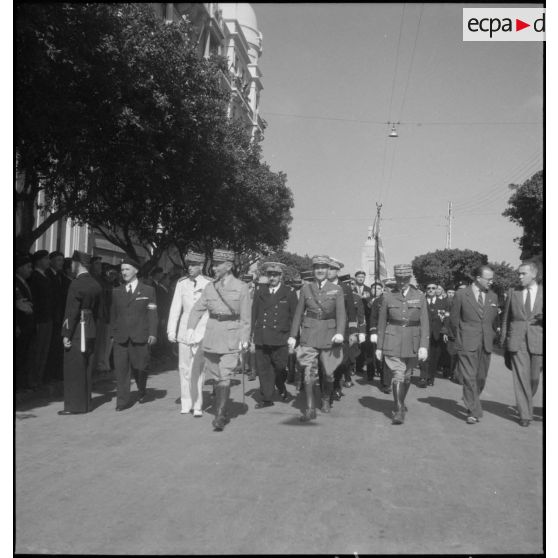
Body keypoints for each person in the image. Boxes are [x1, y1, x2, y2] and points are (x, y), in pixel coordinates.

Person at [185, 249, 251, 431]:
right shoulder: (210, 287)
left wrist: (244, 338)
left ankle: (220, 415)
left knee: (225, 374)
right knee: (214, 374)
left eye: (217, 264)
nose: (213, 268)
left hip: (232, 334)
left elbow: (246, 317)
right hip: (212, 335)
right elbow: (198, 309)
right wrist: (190, 328)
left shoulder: (241, 287)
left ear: (228, 266)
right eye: (213, 264)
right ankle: (221, 405)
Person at [288, 255, 346, 421]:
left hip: (329, 333)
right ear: (313, 270)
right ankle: (310, 408)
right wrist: (293, 335)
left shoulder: (337, 289)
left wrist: (340, 332)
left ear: (328, 270)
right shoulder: (306, 289)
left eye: (323, 267)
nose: (320, 270)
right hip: (310, 332)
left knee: (328, 373)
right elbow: (298, 313)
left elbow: (341, 313)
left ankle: (326, 398)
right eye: (317, 267)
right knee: (309, 372)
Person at [376, 264, 429, 425]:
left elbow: (425, 322)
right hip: (392, 338)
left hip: (413, 340)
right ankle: (398, 410)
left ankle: (400, 401)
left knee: (407, 376)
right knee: (398, 374)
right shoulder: (388, 296)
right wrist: (379, 346)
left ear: (410, 278)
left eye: (405, 278)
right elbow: (381, 322)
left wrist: (424, 345)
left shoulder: (419, 296)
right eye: (399, 278)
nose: (402, 282)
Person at [449, 265, 500, 424]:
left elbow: (493, 321)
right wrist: (458, 340)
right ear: (478, 278)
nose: (491, 282)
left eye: (492, 279)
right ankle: (473, 410)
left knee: (481, 377)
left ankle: (470, 399)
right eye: (488, 279)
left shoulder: (493, 296)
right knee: (469, 376)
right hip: (467, 341)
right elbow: (454, 320)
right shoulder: (461, 294)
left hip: (486, 343)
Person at [58, 251, 103, 415]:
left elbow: (71, 312)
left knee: (74, 367)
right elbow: (99, 311)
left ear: (78, 264)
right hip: (91, 327)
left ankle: (74, 406)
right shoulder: (95, 284)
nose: (70, 266)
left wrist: (66, 334)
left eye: (72, 263)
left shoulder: (76, 284)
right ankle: (86, 403)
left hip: (77, 329)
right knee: (87, 366)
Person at [110, 258, 158, 410]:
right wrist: (113, 334)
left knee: (140, 367)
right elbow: (113, 315)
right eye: (122, 270)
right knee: (121, 370)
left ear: (136, 270)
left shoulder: (148, 290)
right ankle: (122, 401)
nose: (124, 272)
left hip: (140, 335)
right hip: (121, 337)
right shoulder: (116, 291)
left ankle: (142, 389)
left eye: (127, 269)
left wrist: (153, 333)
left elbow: (152, 313)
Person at [500, 261, 543, 427]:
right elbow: (506, 318)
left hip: (539, 339)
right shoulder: (513, 292)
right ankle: (525, 414)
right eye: (518, 273)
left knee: (533, 378)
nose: (519, 276)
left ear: (534, 274)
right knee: (520, 377)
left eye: (523, 273)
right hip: (517, 341)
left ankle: (525, 403)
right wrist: (504, 340)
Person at [167, 251, 210, 416]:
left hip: (201, 331)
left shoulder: (209, 283)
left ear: (201, 266)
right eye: (189, 264)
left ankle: (198, 404)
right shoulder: (182, 283)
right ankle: (186, 403)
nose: (190, 268)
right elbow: (175, 308)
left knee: (199, 369)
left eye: (194, 265)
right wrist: (171, 329)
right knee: (184, 368)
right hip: (184, 331)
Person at [251, 262, 298, 408]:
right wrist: (249, 335)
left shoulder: (289, 292)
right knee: (264, 369)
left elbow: (295, 316)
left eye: (275, 275)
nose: (272, 278)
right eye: (270, 275)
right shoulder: (260, 291)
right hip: (262, 336)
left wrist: (293, 336)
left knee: (280, 367)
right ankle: (267, 398)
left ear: (281, 276)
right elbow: (254, 314)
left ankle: (280, 385)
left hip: (281, 337)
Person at [327, 258, 360, 399]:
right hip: (326, 329)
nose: (329, 272)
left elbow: (352, 312)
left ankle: (336, 386)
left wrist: (353, 333)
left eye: (332, 269)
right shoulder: (321, 287)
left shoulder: (345, 288)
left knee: (342, 361)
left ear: (337, 271)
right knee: (327, 361)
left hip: (343, 330)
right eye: (327, 268)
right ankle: (329, 389)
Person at [27, 250, 55, 388]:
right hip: (40, 319)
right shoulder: (35, 276)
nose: (48, 261)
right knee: (37, 350)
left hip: (47, 318)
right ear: (38, 261)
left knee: (44, 350)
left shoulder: (45, 275)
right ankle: (33, 380)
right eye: (46, 259)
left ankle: (38, 378)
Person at [44, 251, 71, 382]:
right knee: (49, 347)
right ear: (51, 261)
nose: (61, 263)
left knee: (57, 346)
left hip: (60, 316)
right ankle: (48, 375)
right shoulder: (47, 275)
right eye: (58, 260)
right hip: (52, 316)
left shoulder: (62, 276)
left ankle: (56, 373)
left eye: (62, 260)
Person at [418, 282, 450, 388]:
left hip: (437, 334)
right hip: (423, 333)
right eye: (428, 288)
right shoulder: (421, 302)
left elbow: (446, 318)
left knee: (434, 358)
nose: (431, 290)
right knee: (423, 356)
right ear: (426, 290)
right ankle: (423, 377)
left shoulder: (444, 303)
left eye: (433, 288)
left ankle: (430, 378)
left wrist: (445, 332)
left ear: (437, 290)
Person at [15, 254, 35, 391]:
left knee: (24, 354)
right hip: (20, 324)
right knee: (18, 355)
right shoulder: (15, 282)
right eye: (28, 267)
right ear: (20, 268)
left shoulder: (24, 281)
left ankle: (23, 383)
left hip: (27, 324)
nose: (30, 270)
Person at [90, 256, 113, 375]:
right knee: (96, 342)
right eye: (96, 264)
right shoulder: (92, 279)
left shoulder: (102, 280)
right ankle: (96, 365)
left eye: (100, 264)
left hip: (104, 314)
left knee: (104, 342)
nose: (99, 266)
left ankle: (102, 363)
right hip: (96, 314)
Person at [368, 282, 389, 390]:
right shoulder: (377, 301)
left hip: (393, 333)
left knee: (390, 358)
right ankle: (385, 382)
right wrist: (373, 332)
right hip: (380, 333)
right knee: (380, 358)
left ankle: (388, 380)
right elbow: (373, 318)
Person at [353, 270, 373, 376]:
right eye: (359, 277)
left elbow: (372, 304)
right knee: (354, 343)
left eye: (362, 277)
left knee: (364, 344)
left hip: (366, 319)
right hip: (354, 319)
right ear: (355, 278)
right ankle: (353, 365)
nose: (361, 278)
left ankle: (360, 366)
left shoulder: (369, 290)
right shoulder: (351, 288)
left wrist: (367, 298)